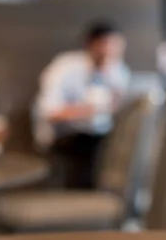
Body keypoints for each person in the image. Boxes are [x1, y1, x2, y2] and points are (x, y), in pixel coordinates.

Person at [36, 20, 131, 190]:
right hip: (66, 135)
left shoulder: (118, 71)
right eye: (107, 46)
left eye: (117, 47)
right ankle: (89, 196)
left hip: (100, 135)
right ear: (91, 44)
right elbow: (50, 112)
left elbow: (119, 107)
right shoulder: (66, 67)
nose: (112, 52)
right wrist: (89, 110)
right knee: (94, 146)